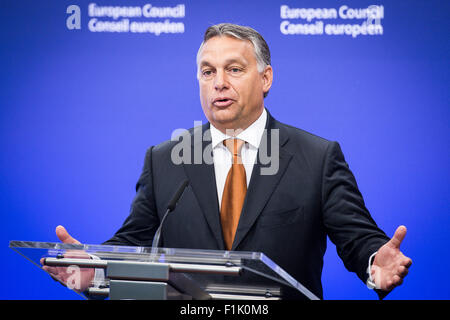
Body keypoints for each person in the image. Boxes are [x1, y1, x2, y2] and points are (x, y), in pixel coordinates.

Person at [44, 23, 412, 299]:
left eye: (234, 69)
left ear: (265, 78)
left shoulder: (317, 156)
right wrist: (96, 268)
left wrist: (374, 261)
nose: (219, 82)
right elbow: (136, 240)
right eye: (208, 72)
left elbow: (357, 238)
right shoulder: (165, 159)